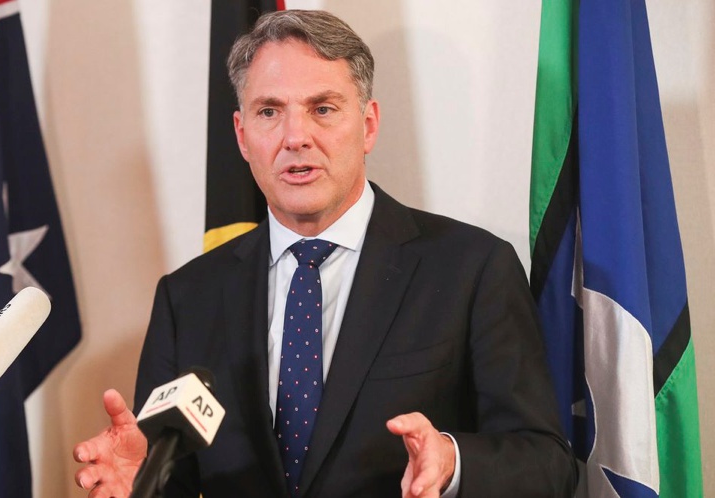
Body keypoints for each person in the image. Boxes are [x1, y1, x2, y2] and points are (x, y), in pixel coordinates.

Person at [73, 9, 577, 498]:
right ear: (242, 135)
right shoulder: (187, 299)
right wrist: (145, 483)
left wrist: (451, 462)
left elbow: (547, 466)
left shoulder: (472, 269)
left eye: (322, 109)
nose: (296, 137)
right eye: (269, 112)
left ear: (369, 125)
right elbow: (178, 478)